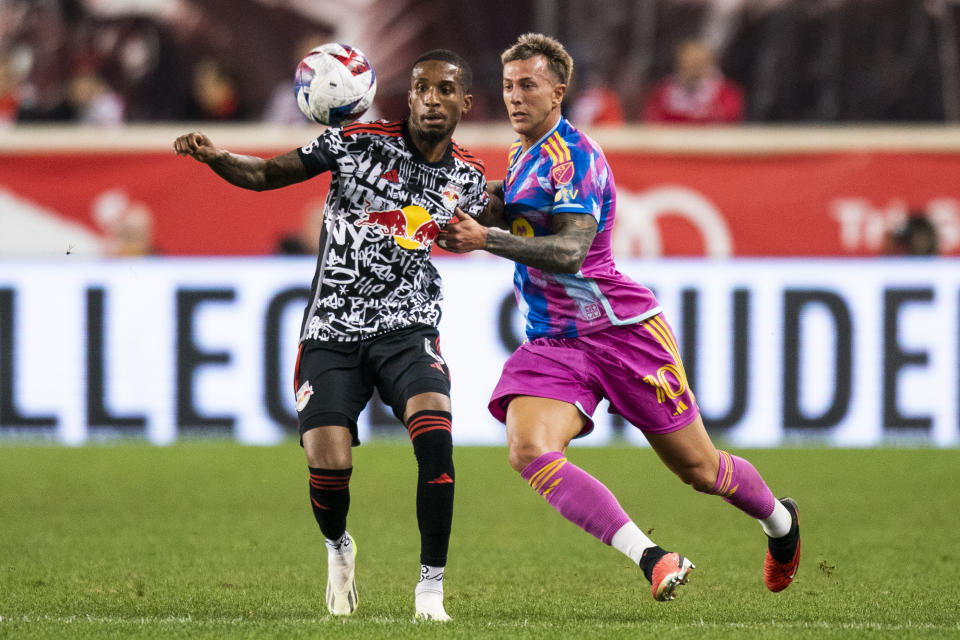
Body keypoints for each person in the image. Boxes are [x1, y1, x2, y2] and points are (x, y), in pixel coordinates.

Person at [438, 33, 800, 602]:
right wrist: (453, 197)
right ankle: (652, 557)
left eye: (527, 86)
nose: (514, 97)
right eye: (508, 86)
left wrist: (486, 237)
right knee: (528, 449)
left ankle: (780, 523)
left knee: (701, 471)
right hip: (555, 342)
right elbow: (513, 205)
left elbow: (570, 251)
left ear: (558, 92)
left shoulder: (575, 157)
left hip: (622, 334)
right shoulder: (524, 153)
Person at [174, 48, 488, 621]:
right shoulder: (356, 142)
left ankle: (430, 591)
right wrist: (216, 156)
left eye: (446, 91)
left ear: (465, 103)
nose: (432, 100)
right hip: (332, 329)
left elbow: (495, 223)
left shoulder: (467, 179)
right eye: (422, 89)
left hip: (406, 325)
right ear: (407, 96)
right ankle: (338, 549)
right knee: (329, 466)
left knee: (435, 432)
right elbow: (269, 174)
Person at [642, 38, 744, 124]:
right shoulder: (661, 94)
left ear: (710, 63)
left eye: (697, 63)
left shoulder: (727, 94)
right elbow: (653, 122)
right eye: (687, 63)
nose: (692, 68)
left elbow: (727, 121)